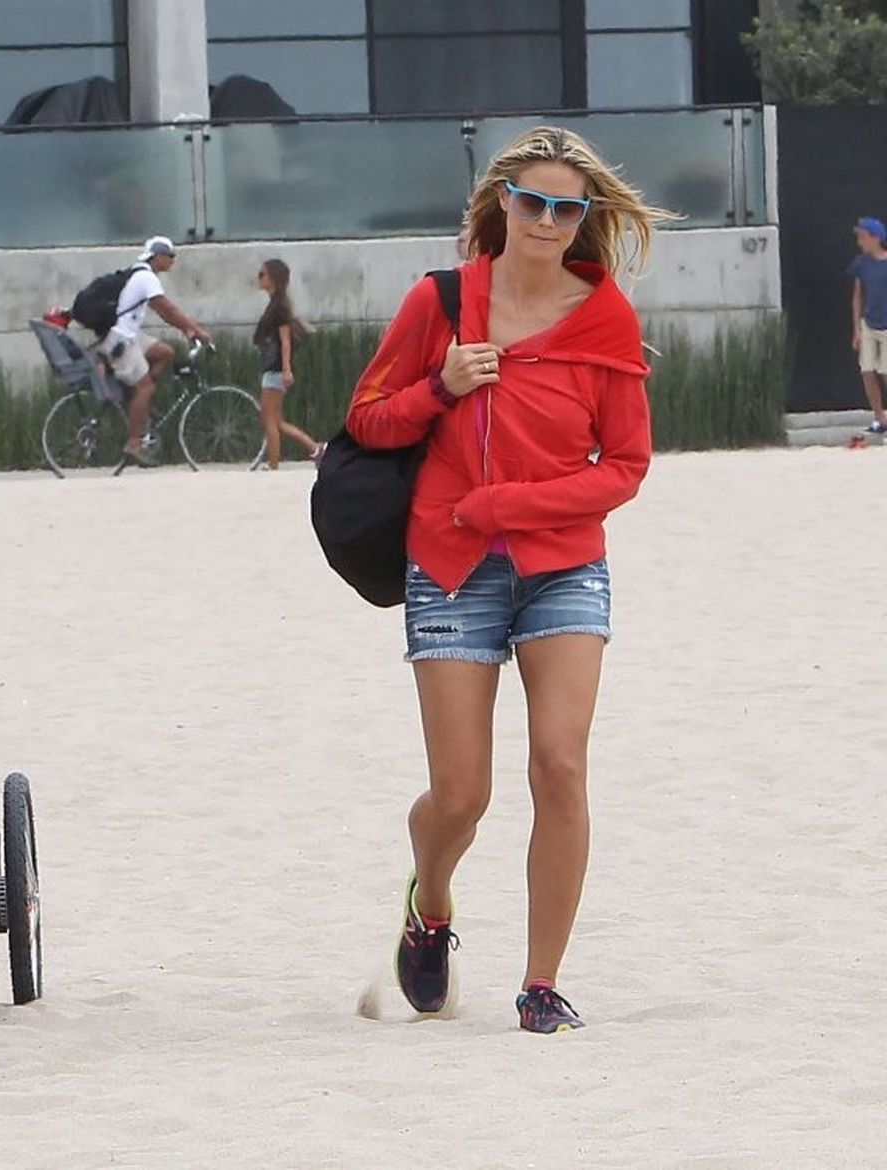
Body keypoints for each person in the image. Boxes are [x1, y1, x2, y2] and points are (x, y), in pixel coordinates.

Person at [346, 126, 674, 1033]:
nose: (548, 219)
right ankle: (431, 901)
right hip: (450, 569)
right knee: (462, 796)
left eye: (567, 207)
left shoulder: (605, 316)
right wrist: (441, 386)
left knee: (561, 767)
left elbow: (627, 466)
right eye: (532, 201)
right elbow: (366, 422)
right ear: (503, 205)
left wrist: (509, 507)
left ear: (585, 219)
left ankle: (539, 985)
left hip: (564, 567)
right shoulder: (441, 301)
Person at [94, 235, 210, 466]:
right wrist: (194, 330)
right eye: (170, 256)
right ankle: (134, 444)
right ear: (157, 257)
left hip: (129, 335)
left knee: (165, 352)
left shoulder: (142, 275)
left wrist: (187, 330)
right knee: (145, 386)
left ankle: (141, 403)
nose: (173, 260)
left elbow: (165, 313)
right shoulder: (146, 277)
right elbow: (167, 310)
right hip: (122, 339)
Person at [252, 258, 322, 469]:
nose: (259, 278)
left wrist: (286, 369)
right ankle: (317, 450)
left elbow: (285, 340)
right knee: (278, 421)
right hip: (273, 367)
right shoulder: (276, 304)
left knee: (269, 420)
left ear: (273, 278)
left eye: (262, 274)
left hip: (275, 368)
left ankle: (274, 464)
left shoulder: (279, 307)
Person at [847, 216, 887, 435]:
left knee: (885, 372)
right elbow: (857, 296)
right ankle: (879, 418)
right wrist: (856, 329)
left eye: (863, 237)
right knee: (868, 371)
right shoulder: (861, 263)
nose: (860, 242)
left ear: (875, 238)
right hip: (869, 324)